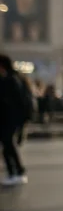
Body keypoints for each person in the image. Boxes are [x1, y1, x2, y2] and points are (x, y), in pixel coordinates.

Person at [0, 55, 29, 186]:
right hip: (12, 120)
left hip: (9, 120)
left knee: (8, 147)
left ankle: (16, 172)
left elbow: (14, 102)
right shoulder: (15, 79)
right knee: (8, 147)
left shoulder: (10, 80)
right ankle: (17, 172)